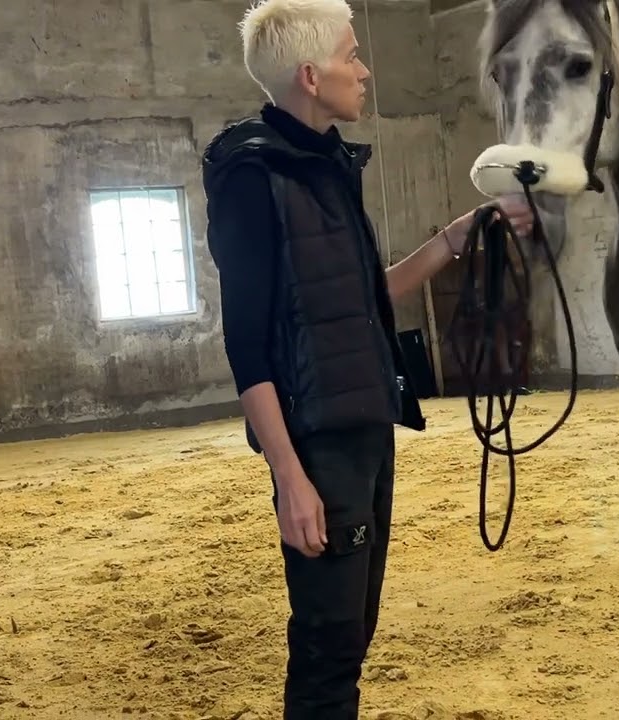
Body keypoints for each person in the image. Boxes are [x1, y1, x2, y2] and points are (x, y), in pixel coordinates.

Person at [200, 0, 533, 716]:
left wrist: (459, 235)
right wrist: (290, 478)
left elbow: (362, 297)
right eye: (353, 56)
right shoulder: (253, 179)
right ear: (312, 77)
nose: (367, 71)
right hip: (317, 443)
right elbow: (247, 343)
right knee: (327, 647)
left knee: (350, 638)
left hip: (365, 426)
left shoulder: (327, 166)